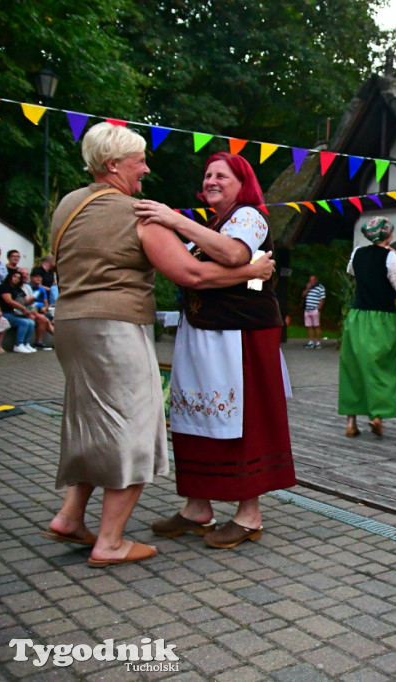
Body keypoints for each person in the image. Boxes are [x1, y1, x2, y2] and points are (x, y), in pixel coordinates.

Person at [44, 123, 274, 567]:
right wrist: (252, 272)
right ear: (113, 165)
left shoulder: (68, 205)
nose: (146, 168)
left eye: (221, 176)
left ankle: (71, 515)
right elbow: (192, 274)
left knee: (91, 423)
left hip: (70, 323)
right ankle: (110, 541)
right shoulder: (136, 213)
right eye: (138, 161)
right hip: (113, 330)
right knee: (135, 426)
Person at [134, 151, 295, 550]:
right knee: (195, 418)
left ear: (243, 183)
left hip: (240, 336)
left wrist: (175, 220)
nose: (212, 181)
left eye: (222, 175)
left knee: (243, 419)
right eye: (208, 175)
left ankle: (249, 514)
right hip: (205, 334)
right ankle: (197, 508)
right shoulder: (211, 226)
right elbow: (196, 272)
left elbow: (234, 254)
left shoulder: (249, 216)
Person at [338, 217, 396, 438]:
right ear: (389, 236)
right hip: (382, 320)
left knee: (353, 366)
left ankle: (351, 422)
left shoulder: (357, 254)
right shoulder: (390, 257)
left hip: (357, 317)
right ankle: (376, 415)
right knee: (381, 366)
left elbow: (353, 271)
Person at [1, 270, 38, 353]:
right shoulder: (4, 287)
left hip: (15, 314)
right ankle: (18, 344)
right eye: (15, 277)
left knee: (31, 322)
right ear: (10, 277)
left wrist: (31, 300)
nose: (17, 279)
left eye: (18, 278)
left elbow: (26, 301)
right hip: (5, 313)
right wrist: (23, 308)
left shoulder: (18, 289)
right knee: (24, 323)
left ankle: (26, 343)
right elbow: (9, 301)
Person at [302, 275, 325, 348]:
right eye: (310, 280)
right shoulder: (309, 287)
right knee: (309, 326)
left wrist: (319, 308)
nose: (311, 282)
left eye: (313, 280)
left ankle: (318, 342)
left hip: (315, 309)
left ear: (316, 280)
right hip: (307, 309)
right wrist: (307, 289)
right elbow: (303, 295)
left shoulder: (320, 288)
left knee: (316, 326)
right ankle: (311, 341)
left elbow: (322, 298)